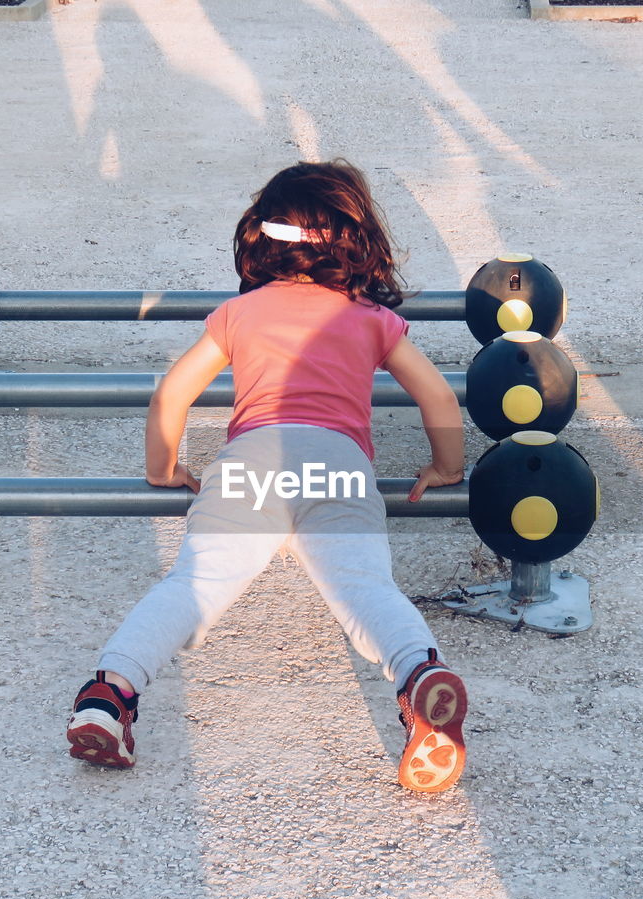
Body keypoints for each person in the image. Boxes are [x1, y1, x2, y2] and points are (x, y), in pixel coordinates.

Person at [65, 160, 469, 793]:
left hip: (251, 464)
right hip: (339, 467)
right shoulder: (369, 317)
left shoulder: (240, 312)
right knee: (365, 589)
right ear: (354, 238)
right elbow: (437, 397)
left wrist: (164, 469)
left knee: (193, 586)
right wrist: (447, 466)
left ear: (261, 236)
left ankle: (108, 694)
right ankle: (419, 676)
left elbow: (173, 394)